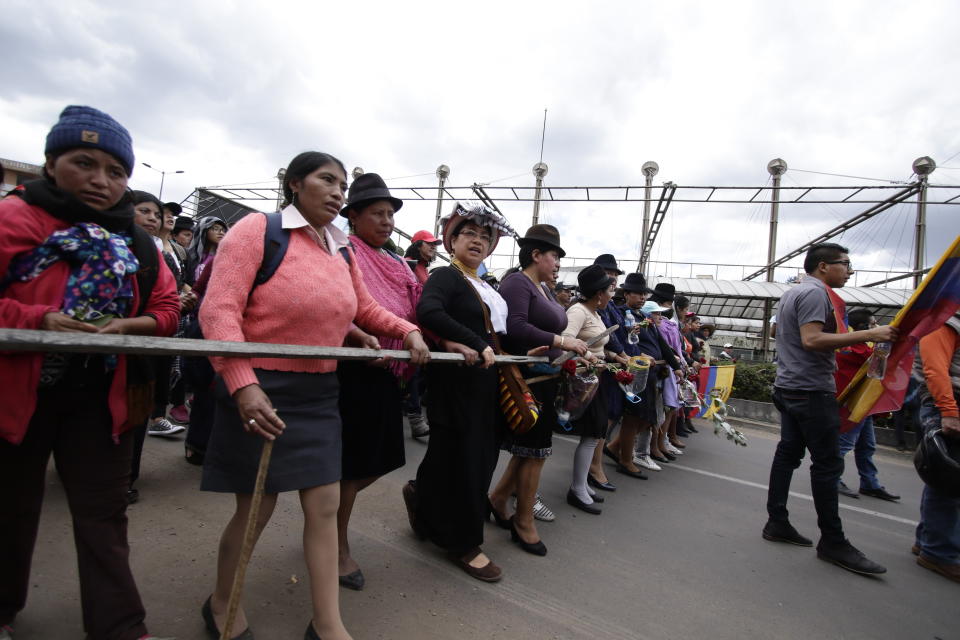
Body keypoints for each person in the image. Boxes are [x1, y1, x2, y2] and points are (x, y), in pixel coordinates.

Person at [198, 152, 428, 640]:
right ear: (295, 183)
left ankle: (328, 623)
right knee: (257, 507)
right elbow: (218, 311)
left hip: (320, 391)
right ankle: (222, 602)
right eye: (327, 180)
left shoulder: (340, 248)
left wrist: (403, 330)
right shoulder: (259, 231)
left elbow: (362, 305)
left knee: (324, 506)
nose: (338, 191)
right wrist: (243, 383)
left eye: (343, 184)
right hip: (261, 388)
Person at [0, 105, 180, 640]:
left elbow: (169, 310)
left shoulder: (138, 241)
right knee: (10, 510)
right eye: (85, 163)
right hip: (16, 396)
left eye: (117, 171)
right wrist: (38, 321)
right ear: (51, 163)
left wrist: (130, 325)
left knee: (103, 517)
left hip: (104, 401)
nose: (102, 182)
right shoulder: (16, 219)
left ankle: (121, 627)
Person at [763, 242, 897, 576]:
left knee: (788, 454)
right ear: (823, 266)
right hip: (809, 390)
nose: (849, 271)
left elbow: (781, 332)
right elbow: (811, 340)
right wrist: (870, 333)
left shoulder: (791, 293)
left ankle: (777, 521)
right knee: (827, 465)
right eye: (845, 264)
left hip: (790, 386)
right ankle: (833, 542)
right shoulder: (814, 295)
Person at [403, 201, 515, 583]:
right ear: (452, 240)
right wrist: (472, 341)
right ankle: (463, 542)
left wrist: (512, 351)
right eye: (469, 233)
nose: (478, 241)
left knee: (454, 455)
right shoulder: (445, 276)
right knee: (468, 459)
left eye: (485, 236)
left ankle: (422, 498)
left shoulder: (487, 286)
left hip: (485, 382)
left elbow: (494, 335)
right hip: (456, 382)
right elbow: (429, 313)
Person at [335, 173, 424, 590]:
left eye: (390, 214)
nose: (387, 221)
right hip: (352, 367)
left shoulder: (394, 261)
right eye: (377, 213)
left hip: (389, 368)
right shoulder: (341, 250)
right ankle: (335, 547)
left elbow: (413, 306)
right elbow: (342, 305)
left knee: (380, 458)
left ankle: (323, 522)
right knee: (353, 466)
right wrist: (360, 335)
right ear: (353, 216)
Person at [488, 224, 587, 556]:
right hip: (529, 379)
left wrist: (571, 353)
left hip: (547, 378)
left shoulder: (542, 289)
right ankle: (524, 520)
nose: (558, 263)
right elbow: (515, 326)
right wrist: (562, 342)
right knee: (535, 453)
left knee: (530, 451)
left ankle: (500, 498)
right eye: (554, 256)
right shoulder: (517, 283)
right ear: (535, 255)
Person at [562, 264, 618, 514]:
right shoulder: (577, 312)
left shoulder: (595, 313)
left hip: (597, 379)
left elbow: (596, 346)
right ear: (599, 293)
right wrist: (585, 359)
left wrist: (610, 357)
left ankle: (582, 483)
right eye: (610, 290)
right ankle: (577, 489)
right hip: (583, 381)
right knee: (591, 434)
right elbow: (566, 343)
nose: (612, 296)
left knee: (595, 434)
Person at [913, 312, 960, 582]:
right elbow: (934, 367)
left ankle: (929, 540)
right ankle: (938, 551)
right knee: (948, 479)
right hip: (947, 405)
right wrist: (949, 410)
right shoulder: (946, 320)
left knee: (942, 476)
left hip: (947, 404)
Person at [834, 309, 899, 502]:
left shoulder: (859, 345)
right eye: (872, 324)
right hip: (852, 404)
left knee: (867, 445)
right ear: (862, 328)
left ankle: (870, 482)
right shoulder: (852, 348)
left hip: (864, 403)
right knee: (845, 444)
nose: (876, 327)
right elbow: (877, 361)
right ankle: (833, 477)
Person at [182, 215, 227, 465]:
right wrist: (190, 302)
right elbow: (198, 289)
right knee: (205, 391)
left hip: (236, 334)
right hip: (205, 329)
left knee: (224, 393)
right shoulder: (218, 259)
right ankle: (197, 445)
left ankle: (217, 446)